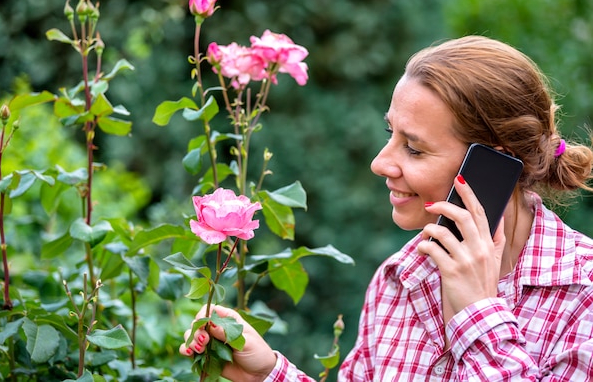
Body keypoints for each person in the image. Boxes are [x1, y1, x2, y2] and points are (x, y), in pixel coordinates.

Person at [179, 35, 593, 381]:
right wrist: (266, 373)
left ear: (493, 165)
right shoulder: (401, 279)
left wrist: (477, 315)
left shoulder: (583, 295)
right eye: (390, 133)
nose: (380, 163)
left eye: (413, 148)